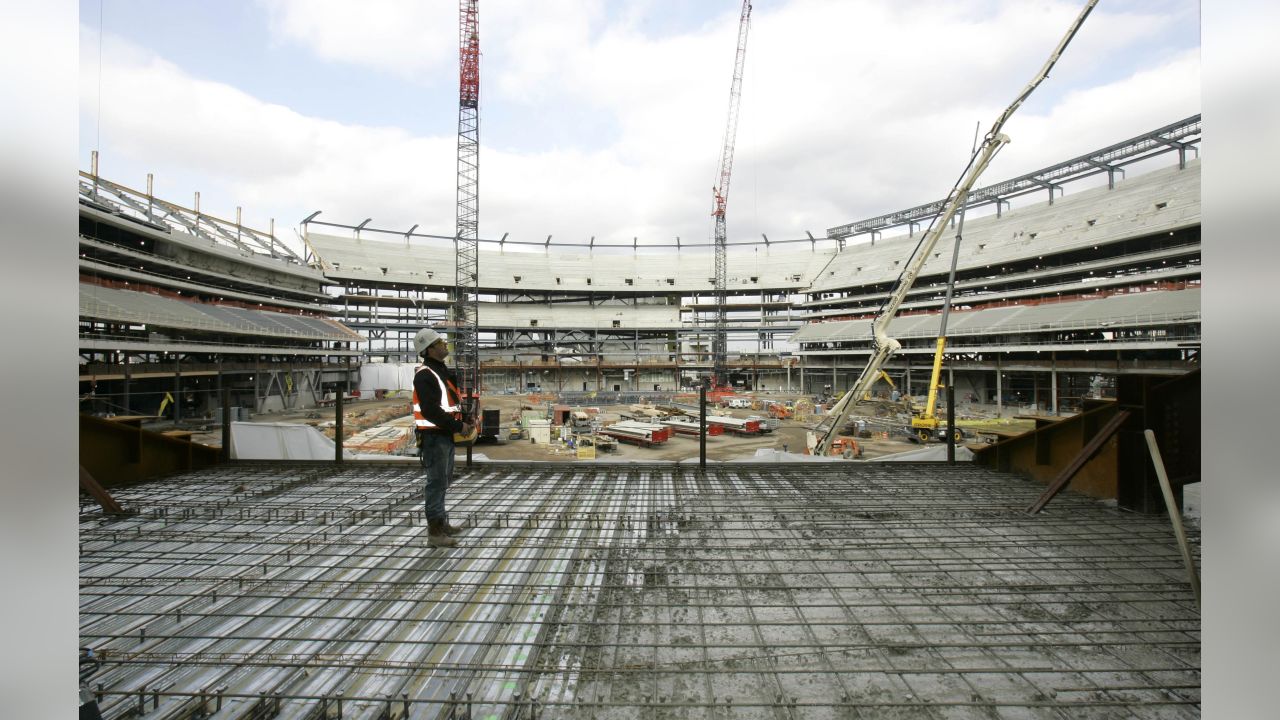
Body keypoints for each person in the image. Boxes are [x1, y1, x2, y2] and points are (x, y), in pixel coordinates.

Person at [412, 328, 473, 548]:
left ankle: (442, 523)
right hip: (434, 437)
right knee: (436, 484)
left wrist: (464, 418)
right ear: (429, 349)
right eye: (439, 342)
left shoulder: (439, 371)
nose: (444, 345)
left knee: (443, 483)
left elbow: (450, 403)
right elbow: (430, 410)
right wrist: (458, 425)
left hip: (444, 436)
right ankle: (435, 534)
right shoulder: (425, 374)